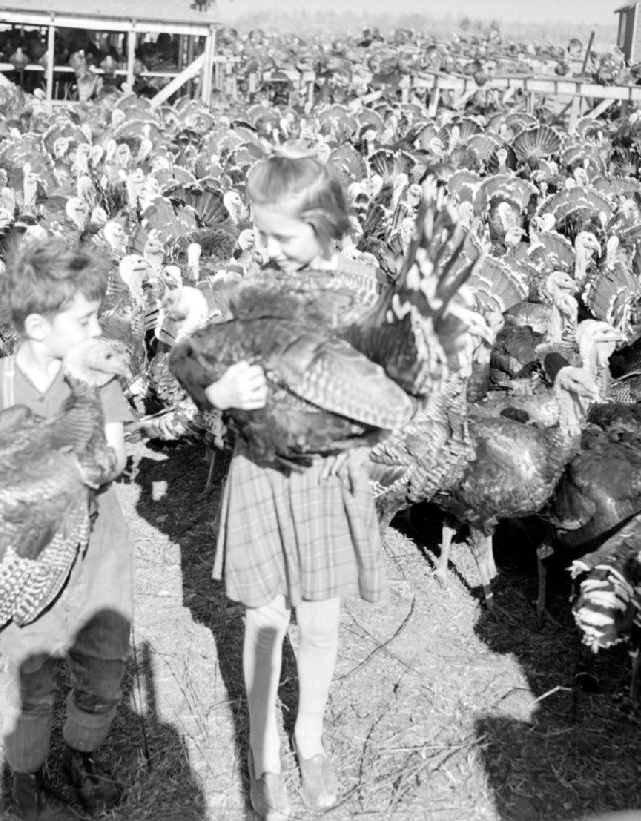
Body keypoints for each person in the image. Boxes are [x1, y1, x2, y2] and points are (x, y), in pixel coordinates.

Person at [204, 144, 384, 820]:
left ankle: (308, 735)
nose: (267, 250)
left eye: (280, 237)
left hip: (326, 477)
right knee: (265, 618)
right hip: (261, 471)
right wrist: (218, 392)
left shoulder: (361, 293)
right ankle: (264, 754)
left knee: (319, 618)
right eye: (260, 235)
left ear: (323, 226)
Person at [0, 238, 135, 820]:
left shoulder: (97, 377)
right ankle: (27, 774)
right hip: (26, 555)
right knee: (31, 671)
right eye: (85, 320)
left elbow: (115, 457)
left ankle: (81, 757)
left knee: (102, 668)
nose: (97, 330)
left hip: (96, 551)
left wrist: (79, 462)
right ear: (38, 326)